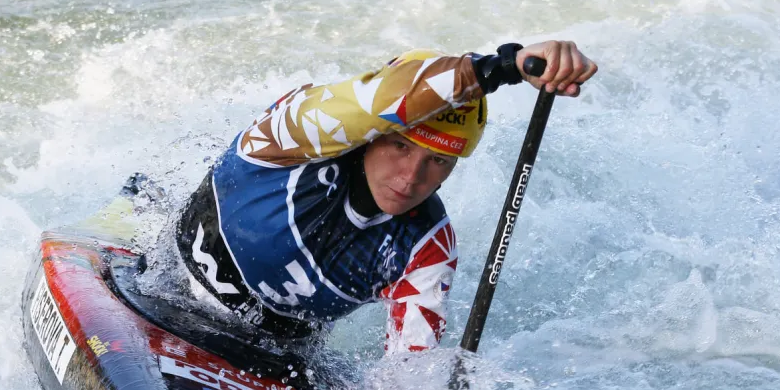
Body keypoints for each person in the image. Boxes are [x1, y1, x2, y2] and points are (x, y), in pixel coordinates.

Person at [175, 41, 597, 352]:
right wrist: (503, 67)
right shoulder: (293, 134)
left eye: (439, 161)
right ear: (373, 136)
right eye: (401, 147)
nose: (412, 177)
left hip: (278, 356)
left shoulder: (426, 245)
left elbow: (410, 371)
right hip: (167, 287)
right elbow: (375, 103)